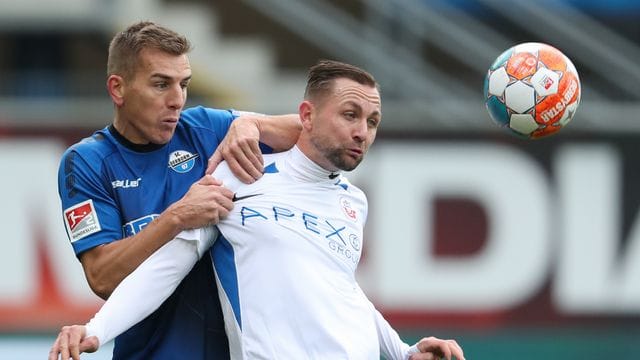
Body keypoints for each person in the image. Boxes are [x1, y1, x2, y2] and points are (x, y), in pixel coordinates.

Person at [50, 60, 465, 360]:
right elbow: (165, 268)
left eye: (373, 122)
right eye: (350, 115)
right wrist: (96, 330)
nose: (362, 132)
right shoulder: (240, 175)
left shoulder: (353, 201)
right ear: (306, 115)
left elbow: (340, 290)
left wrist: (404, 350)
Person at [55, 21, 301, 359]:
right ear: (118, 89)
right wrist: (177, 217)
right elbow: (102, 277)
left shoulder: (205, 127)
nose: (177, 100)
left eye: (183, 84)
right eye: (161, 84)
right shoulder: (86, 162)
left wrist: (251, 124)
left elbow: (316, 135)